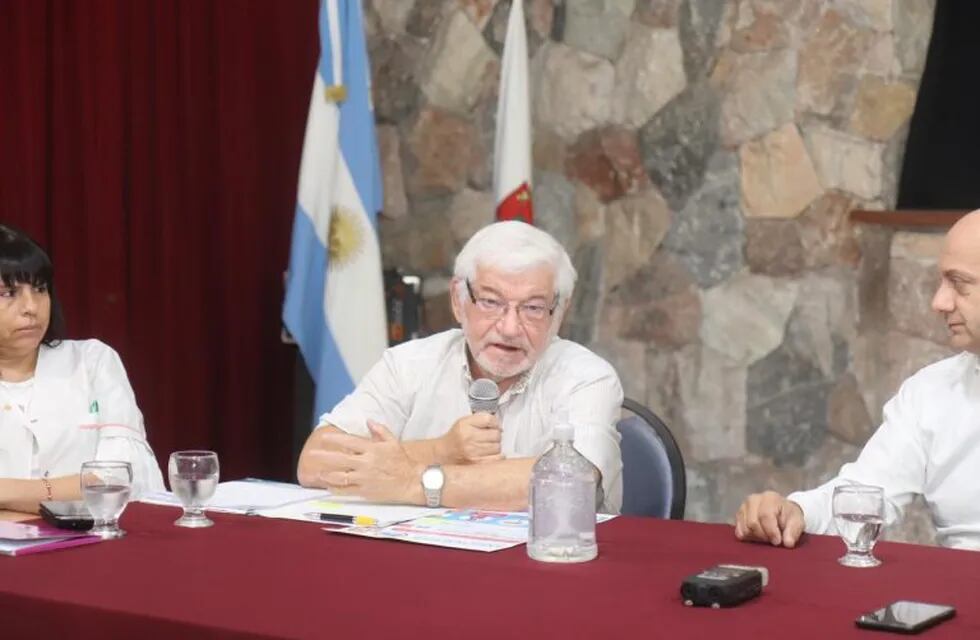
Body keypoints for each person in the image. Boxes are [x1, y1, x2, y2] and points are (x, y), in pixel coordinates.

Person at [297, 221, 624, 512]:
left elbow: (569, 483)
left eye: (533, 308)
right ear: (458, 299)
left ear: (560, 312)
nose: (510, 327)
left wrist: (415, 482)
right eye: (491, 302)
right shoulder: (408, 364)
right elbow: (314, 464)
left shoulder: (587, 377)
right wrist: (442, 449)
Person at [734, 209, 980, 550]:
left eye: (960, 284)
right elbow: (865, 494)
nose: (939, 302)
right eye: (941, 282)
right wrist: (794, 512)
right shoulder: (931, 393)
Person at [0, 225, 165, 513]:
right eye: (8, 293)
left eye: (40, 289)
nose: (31, 307)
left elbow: (125, 479)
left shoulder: (92, 361)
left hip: (94, 544)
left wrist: (9, 492)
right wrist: (69, 492)